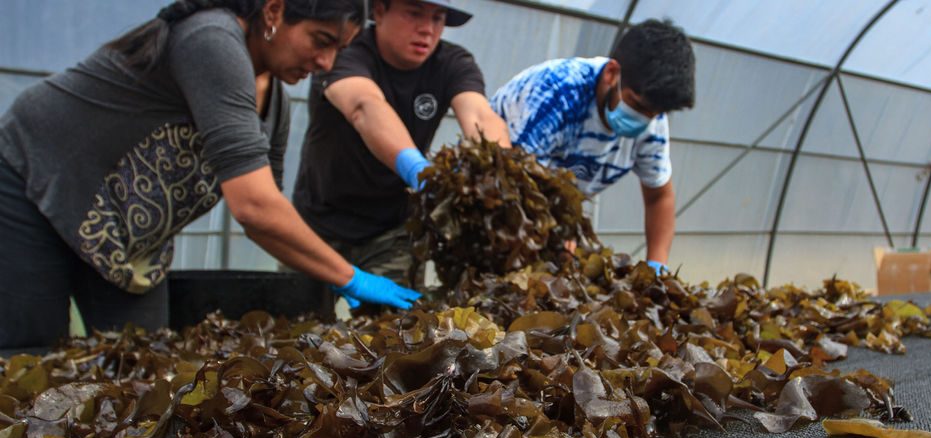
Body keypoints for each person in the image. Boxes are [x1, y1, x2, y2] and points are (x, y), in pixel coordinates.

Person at [0, 0, 420, 348]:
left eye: (339, 51)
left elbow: (268, 216)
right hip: (31, 184)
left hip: (125, 240)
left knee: (147, 362)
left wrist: (330, 273)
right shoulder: (211, 39)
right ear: (274, 11)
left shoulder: (276, 107)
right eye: (321, 40)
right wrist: (351, 275)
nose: (326, 62)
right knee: (33, 360)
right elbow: (253, 207)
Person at [293, 0, 510, 308]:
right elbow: (364, 106)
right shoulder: (342, 51)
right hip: (317, 225)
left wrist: (501, 172)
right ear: (379, 11)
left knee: (395, 334)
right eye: (414, 13)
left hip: (392, 230)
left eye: (438, 18)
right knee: (298, 328)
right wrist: (415, 168)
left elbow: (479, 114)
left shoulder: (452, 62)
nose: (427, 28)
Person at [490, 19, 696, 275]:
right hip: (497, 204)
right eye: (636, 104)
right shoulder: (558, 94)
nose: (643, 119)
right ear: (611, 73)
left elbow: (659, 196)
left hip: (554, 213)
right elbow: (515, 186)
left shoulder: (653, 122)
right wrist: (556, 233)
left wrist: (656, 267)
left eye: (654, 113)